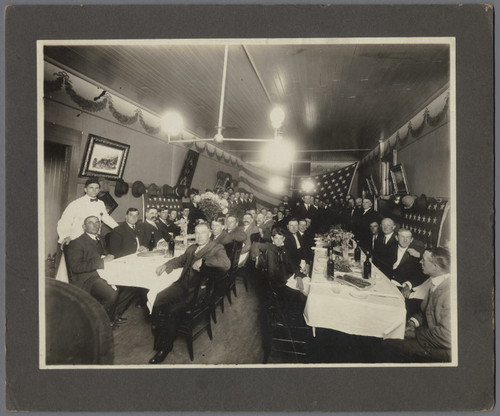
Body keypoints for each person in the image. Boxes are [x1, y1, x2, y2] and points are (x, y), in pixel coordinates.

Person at [149, 223, 231, 364]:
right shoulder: (192, 248)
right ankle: (162, 330)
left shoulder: (216, 247)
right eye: (196, 233)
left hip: (198, 290)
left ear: (209, 233)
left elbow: (226, 263)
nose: (199, 236)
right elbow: (181, 260)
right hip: (182, 285)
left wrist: (204, 260)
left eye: (203, 233)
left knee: (172, 310)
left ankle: (165, 347)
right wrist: (166, 265)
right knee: (158, 298)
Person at [383, 247, 452, 362]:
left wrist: (415, 333)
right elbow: (426, 312)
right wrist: (412, 322)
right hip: (429, 336)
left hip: (442, 349)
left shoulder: (449, 292)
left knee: (387, 343)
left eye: (423, 260)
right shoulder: (437, 282)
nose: (420, 262)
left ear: (435, 267)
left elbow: (447, 336)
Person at [65, 216, 118, 325]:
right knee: (111, 295)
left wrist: (108, 256)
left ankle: (110, 319)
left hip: (103, 273)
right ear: (84, 226)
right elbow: (76, 267)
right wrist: (101, 262)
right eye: (90, 223)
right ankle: (101, 324)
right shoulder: (77, 243)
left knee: (122, 283)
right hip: (87, 278)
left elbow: (103, 255)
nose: (95, 225)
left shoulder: (100, 238)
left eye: (97, 222)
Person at [250, 228, 307, 314]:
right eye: (276, 238)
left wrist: (298, 275)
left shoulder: (283, 249)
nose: (278, 241)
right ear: (272, 238)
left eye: (281, 238)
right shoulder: (270, 249)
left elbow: (292, 264)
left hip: (288, 277)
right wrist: (257, 258)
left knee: (307, 282)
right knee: (306, 292)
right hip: (281, 283)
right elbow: (273, 273)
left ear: (284, 239)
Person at [108, 208, 147, 316]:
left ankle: (144, 302)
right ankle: (116, 312)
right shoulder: (118, 230)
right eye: (131, 215)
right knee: (133, 282)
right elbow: (115, 252)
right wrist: (136, 252)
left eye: (136, 215)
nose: (134, 217)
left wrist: (143, 248)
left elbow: (139, 244)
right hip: (123, 264)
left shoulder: (137, 228)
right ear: (126, 216)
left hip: (136, 260)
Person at [57, 178, 119, 246]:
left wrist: (119, 229)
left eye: (96, 188)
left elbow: (106, 218)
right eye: (91, 188)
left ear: (99, 190)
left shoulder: (100, 203)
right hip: (77, 238)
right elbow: (65, 221)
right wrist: (66, 236)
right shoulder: (76, 203)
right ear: (85, 189)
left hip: (94, 239)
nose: (94, 190)